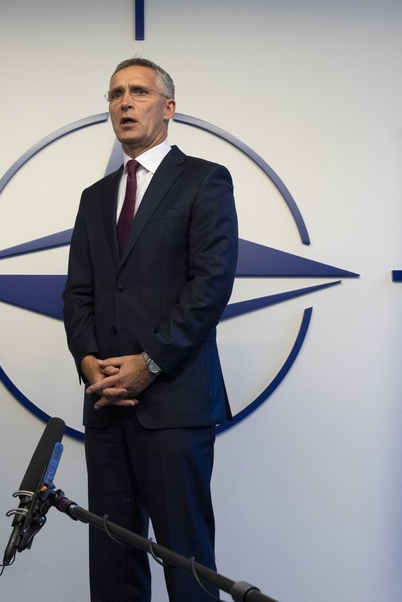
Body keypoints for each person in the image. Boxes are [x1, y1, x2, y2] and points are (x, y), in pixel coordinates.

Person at [62, 58, 238, 601]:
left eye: (138, 92)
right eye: (115, 94)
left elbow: (209, 287)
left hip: (175, 406)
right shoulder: (95, 197)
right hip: (107, 405)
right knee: (113, 569)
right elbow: (80, 294)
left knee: (187, 566)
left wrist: (149, 363)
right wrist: (90, 362)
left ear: (168, 107)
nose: (124, 102)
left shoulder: (206, 179)